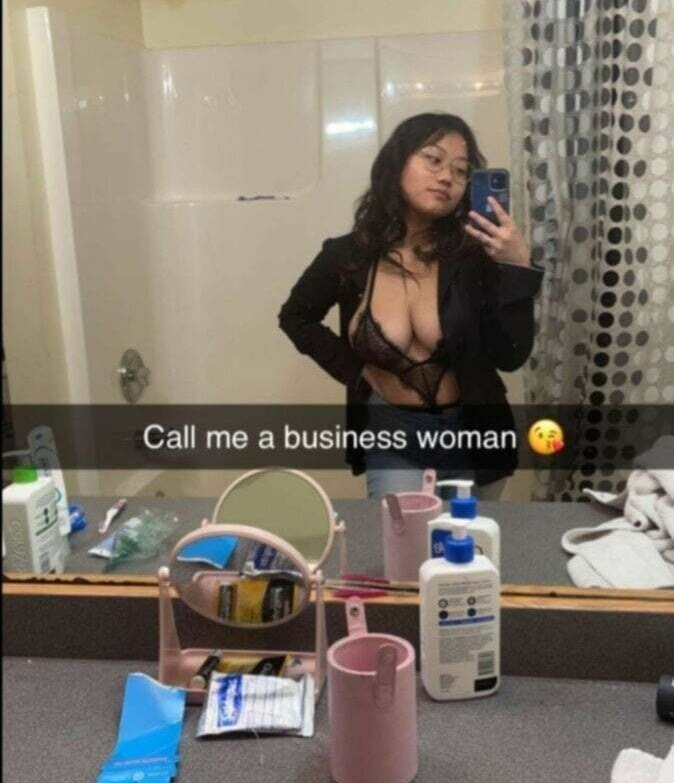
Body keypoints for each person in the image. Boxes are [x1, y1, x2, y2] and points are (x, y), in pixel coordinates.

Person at [279, 113, 543, 499]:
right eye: (433, 159)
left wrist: (516, 267)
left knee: (469, 538)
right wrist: (356, 372)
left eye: (461, 170)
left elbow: (511, 356)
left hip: (475, 435)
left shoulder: (475, 257)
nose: (447, 177)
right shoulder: (347, 256)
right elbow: (296, 317)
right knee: (401, 536)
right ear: (397, 163)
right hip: (392, 432)